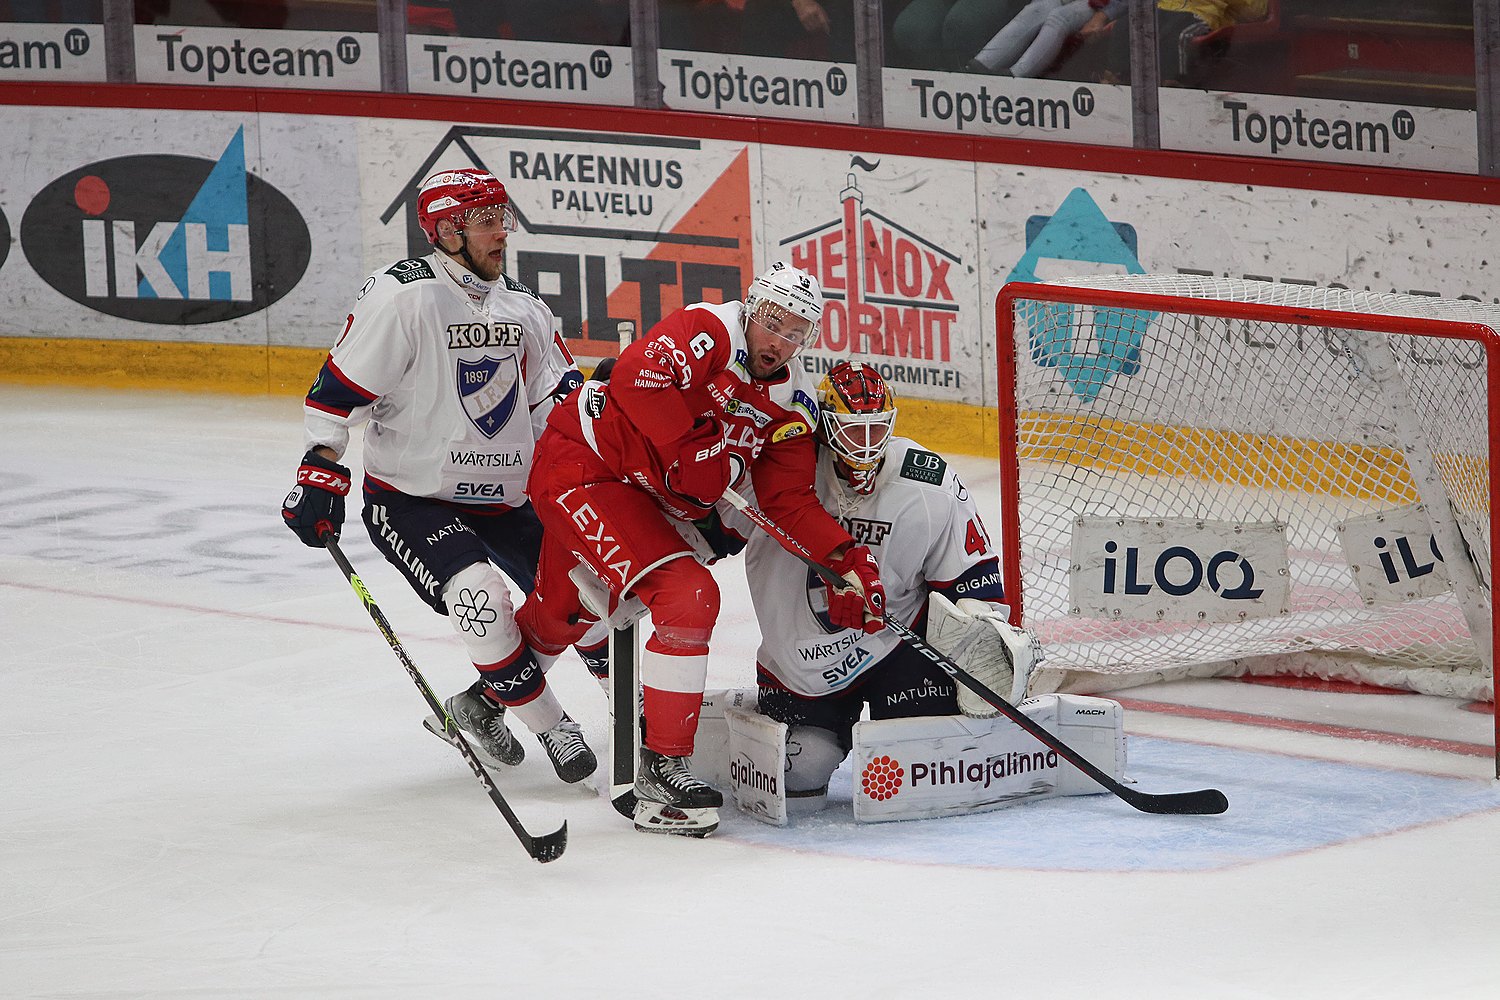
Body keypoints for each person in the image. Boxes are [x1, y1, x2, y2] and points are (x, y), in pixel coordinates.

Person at [515, 263, 887, 837]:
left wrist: (844, 560)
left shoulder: (790, 405)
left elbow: (786, 501)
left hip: (642, 500)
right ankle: (664, 765)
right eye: (773, 323)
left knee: (562, 611)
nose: (779, 342)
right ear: (751, 309)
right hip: (584, 467)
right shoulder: (710, 330)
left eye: (797, 332)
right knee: (688, 597)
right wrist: (690, 447)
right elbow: (637, 376)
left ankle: (485, 699)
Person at [280, 168, 604, 786]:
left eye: (501, 219)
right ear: (447, 230)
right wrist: (321, 466)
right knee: (480, 601)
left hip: (511, 497)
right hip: (414, 497)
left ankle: (508, 709)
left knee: (592, 591)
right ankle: (552, 725)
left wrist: (599, 425)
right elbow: (338, 391)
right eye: (486, 222)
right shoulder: (402, 298)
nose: (501, 234)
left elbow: (554, 403)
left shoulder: (525, 307)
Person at [732, 361, 1035, 813]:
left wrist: (983, 642)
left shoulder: (925, 480)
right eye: (853, 431)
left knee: (923, 773)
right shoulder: (777, 476)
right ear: (825, 427)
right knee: (797, 778)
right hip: (800, 664)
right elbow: (703, 533)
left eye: (877, 431)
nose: (866, 445)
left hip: (897, 646)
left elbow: (975, 583)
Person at [966, 0, 1125, 78]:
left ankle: (1015, 76)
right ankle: (980, 65)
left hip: (1108, 5)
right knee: (1036, 9)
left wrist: (1103, 16)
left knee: (1059, 17)